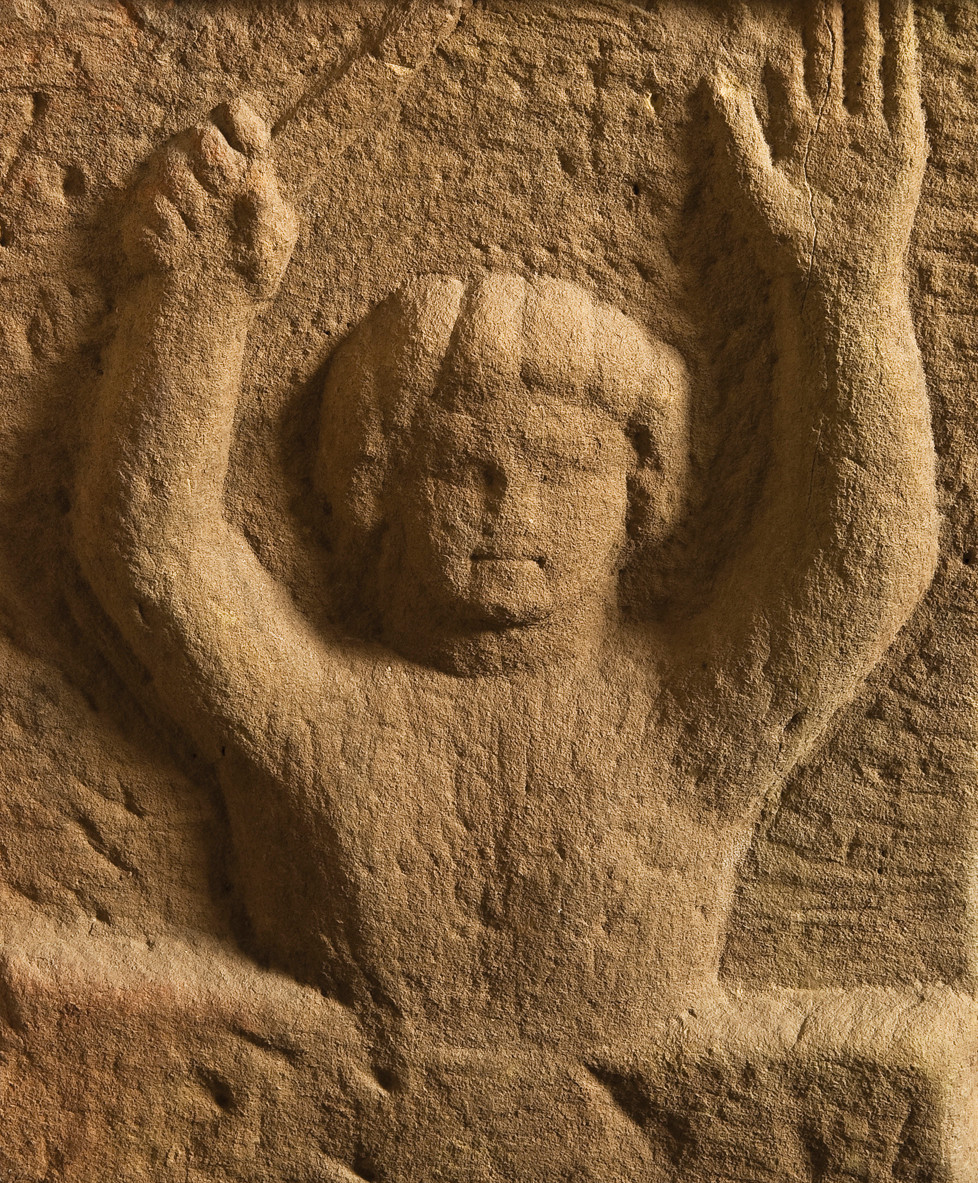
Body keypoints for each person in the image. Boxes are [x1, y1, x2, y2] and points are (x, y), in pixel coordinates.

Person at [75, 0, 937, 1049]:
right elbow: (153, 549)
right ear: (376, 484)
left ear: (641, 495)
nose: (510, 508)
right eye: (461, 467)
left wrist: (847, 286)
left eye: (565, 469)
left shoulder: (683, 717)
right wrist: (198, 306)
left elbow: (861, 561)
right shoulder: (321, 719)